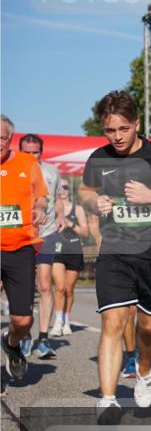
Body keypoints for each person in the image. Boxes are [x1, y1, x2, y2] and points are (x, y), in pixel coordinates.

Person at [78, 91, 151, 422]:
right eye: (110, 131)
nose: (116, 137)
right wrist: (93, 203)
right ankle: (108, 399)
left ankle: (145, 370)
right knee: (113, 321)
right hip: (115, 249)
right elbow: (86, 190)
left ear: (137, 124)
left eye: (123, 129)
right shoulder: (99, 157)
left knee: (147, 326)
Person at [1, 115, 49, 387]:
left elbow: (41, 195)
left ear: (10, 140)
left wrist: (40, 208)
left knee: (23, 319)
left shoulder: (27, 163)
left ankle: (12, 343)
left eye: (2, 137)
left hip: (20, 246)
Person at [18, 134, 65, 358]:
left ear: (41, 152)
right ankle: (24, 334)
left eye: (34, 152)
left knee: (45, 284)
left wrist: (61, 216)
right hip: (20, 236)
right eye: (26, 152)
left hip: (46, 234)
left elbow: (57, 199)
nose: (30, 156)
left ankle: (43, 338)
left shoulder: (52, 172)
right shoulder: (9, 170)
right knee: (24, 286)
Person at [50, 178, 90, 337]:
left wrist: (69, 223)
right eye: (59, 187)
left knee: (69, 289)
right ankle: (58, 321)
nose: (63, 190)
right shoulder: (51, 208)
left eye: (65, 187)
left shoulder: (78, 209)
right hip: (56, 251)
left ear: (69, 190)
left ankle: (67, 320)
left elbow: (85, 233)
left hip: (73, 250)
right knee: (59, 287)